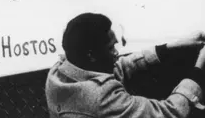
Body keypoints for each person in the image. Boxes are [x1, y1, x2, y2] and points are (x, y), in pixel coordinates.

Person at [45, 12, 205, 117]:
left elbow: (116, 67)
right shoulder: (101, 98)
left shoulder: (59, 73)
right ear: (91, 55)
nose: (116, 52)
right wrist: (198, 68)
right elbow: (168, 112)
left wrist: (173, 46)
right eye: (111, 48)